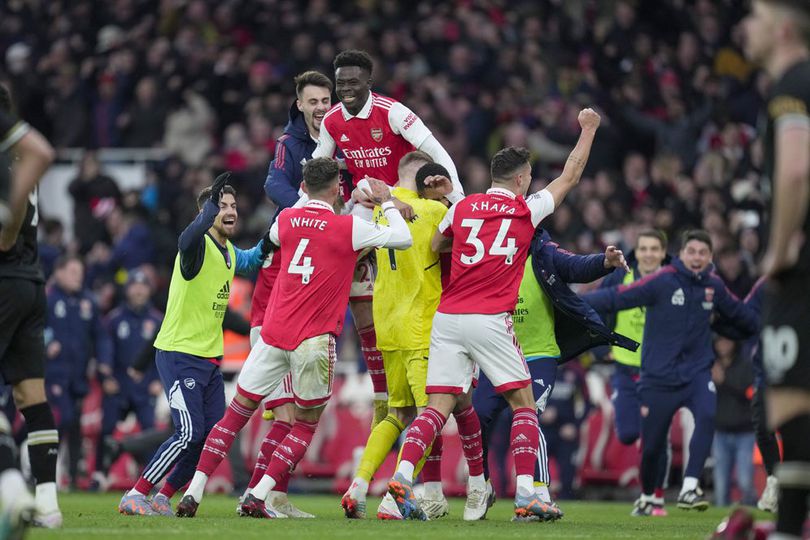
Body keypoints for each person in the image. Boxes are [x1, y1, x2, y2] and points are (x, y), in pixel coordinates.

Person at [387, 108, 601, 522]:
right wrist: (588, 129)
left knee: (435, 409)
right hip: (489, 319)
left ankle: (401, 477)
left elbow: (434, 245)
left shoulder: (462, 207)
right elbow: (571, 175)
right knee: (523, 405)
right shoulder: (527, 209)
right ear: (522, 179)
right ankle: (527, 494)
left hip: (448, 318)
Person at [175, 157, 413, 519]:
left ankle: (193, 491)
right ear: (336, 188)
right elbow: (404, 238)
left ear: (303, 186)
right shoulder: (346, 227)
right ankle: (259, 492)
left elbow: (269, 244)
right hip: (313, 340)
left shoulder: (285, 221)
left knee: (235, 416)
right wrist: (386, 202)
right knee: (305, 422)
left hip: (272, 334)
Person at [313, 50, 466, 426]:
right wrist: (308, 209)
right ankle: (323, 335)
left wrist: (458, 200)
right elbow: (319, 166)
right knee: (329, 247)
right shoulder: (332, 121)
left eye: (352, 82)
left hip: (404, 199)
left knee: (425, 260)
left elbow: (436, 151)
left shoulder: (392, 111)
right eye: (341, 83)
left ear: (368, 81)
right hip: (367, 203)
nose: (346, 89)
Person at [118, 173, 268, 516]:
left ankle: (163, 495)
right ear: (207, 213)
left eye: (233, 206)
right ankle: (136, 493)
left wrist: (285, 219)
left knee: (210, 439)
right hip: (179, 353)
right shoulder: (196, 247)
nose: (230, 211)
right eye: (222, 206)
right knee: (187, 434)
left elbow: (256, 256)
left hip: (210, 359)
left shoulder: (228, 251)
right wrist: (205, 214)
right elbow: (185, 240)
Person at [343, 157, 481, 521]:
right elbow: (458, 243)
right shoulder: (434, 210)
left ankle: (357, 486)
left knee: (397, 412)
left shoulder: (376, 208)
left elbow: (361, 196)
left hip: (385, 324)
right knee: (429, 413)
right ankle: (395, 498)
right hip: (421, 326)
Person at [583, 230, 758, 516]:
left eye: (703, 253)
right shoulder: (662, 281)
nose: (697, 258)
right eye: (692, 252)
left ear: (710, 257)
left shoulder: (713, 286)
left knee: (707, 413)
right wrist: (570, 301)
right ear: (682, 255)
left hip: (696, 373)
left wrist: (772, 317)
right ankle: (649, 494)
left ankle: (690, 486)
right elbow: (615, 298)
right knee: (651, 446)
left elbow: (742, 317)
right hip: (658, 377)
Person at [474, 229, 635, 520]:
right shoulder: (486, 253)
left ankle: (539, 493)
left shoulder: (543, 252)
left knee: (527, 414)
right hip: (498, 353)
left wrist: (604, 262)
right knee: (476, 418)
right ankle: (481, 485)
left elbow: (574, 266)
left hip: (538, 355)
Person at [240, 71, 333, 518]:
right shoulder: (288, 143)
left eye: (325, 99)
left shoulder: (341, 138)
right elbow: (274, 187)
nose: (319, 107)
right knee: (286, 412)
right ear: (299, 104)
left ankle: (266, 494)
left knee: (290, 410)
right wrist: (313, 215)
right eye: (312, 100)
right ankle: (263, 494)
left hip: (318, 277)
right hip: (280, 306)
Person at [744, 2, 810, 537]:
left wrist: (778, 251)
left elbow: (794, 171)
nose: (746, 27)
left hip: (802, 271)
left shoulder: (791, 84)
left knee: (789, 400)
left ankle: (788, 529)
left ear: (783, 28)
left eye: (756, 17)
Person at [0, 83, 59, 528]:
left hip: (5, 274)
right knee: (30, 395)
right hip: (31, 279)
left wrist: (3, 235)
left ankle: (12, 492)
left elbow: (9, 224)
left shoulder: (10, 154)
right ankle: (48, 503)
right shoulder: (20, 158)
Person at [598, 230, 672, 515]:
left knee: (656, 438)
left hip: (659, 372)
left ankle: (654, 497)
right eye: (644, 249)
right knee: (629, 433)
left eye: (655, 249)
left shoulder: (673, 283)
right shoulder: (620, 277)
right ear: (636, 252)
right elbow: (598, 306)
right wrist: (598, 346)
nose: (649, 254)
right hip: (625, 369)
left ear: (663, 253)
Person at [44, 255, 112, 489]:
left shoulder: (88, 302)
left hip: (79, 374)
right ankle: (44, 470)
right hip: (55, 372)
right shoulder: (47, 299)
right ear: (59, 272)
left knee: (75, 425)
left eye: (80, 273)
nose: (78, 277)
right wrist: (46, 342)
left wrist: (103, 361)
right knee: (64, 417)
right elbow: (32, 326)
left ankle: (72, 477)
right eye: (73, 272)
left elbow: (100, 335)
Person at [94, 270, 163, 487]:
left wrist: (159, 380)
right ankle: (99, 475)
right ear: (127, 289)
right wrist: (106, 376)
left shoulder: (157, 319)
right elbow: (105, 350)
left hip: (145, 386)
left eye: (143, 285)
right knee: (106, 430)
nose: (139, 289)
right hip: (119, 384)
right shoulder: (114, 319)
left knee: (150, 432)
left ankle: (151, 479)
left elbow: (162, 353)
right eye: (134, 285)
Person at [710, 336, 756, 507]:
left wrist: (724, 381)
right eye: (719, 341)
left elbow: (750, 394)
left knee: (745, 481)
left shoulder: (745, 365)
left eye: (727, 341)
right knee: (721, 486)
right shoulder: (711, 365)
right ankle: (722, 526)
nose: (722, 345)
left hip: (744, 432)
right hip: (720, 430)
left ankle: (751, 512)